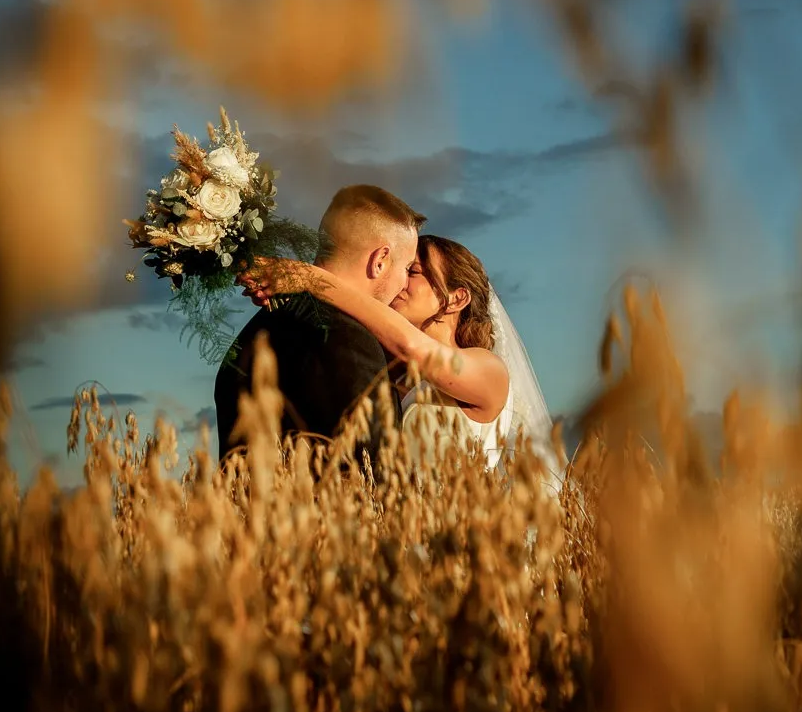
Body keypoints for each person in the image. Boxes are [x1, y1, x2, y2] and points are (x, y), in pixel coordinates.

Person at [238, 233, 562, 493]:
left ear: (457, 298)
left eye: (414, 272)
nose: (400, 281)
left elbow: (411, 346)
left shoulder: (489, 370)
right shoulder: (387, 369)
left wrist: (312, 279)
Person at [213, 184, 423, 463]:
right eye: (407, 268)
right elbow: (368, 469)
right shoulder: (349, 339)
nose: (405, 282)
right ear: (380, 260)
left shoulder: (255, 331)